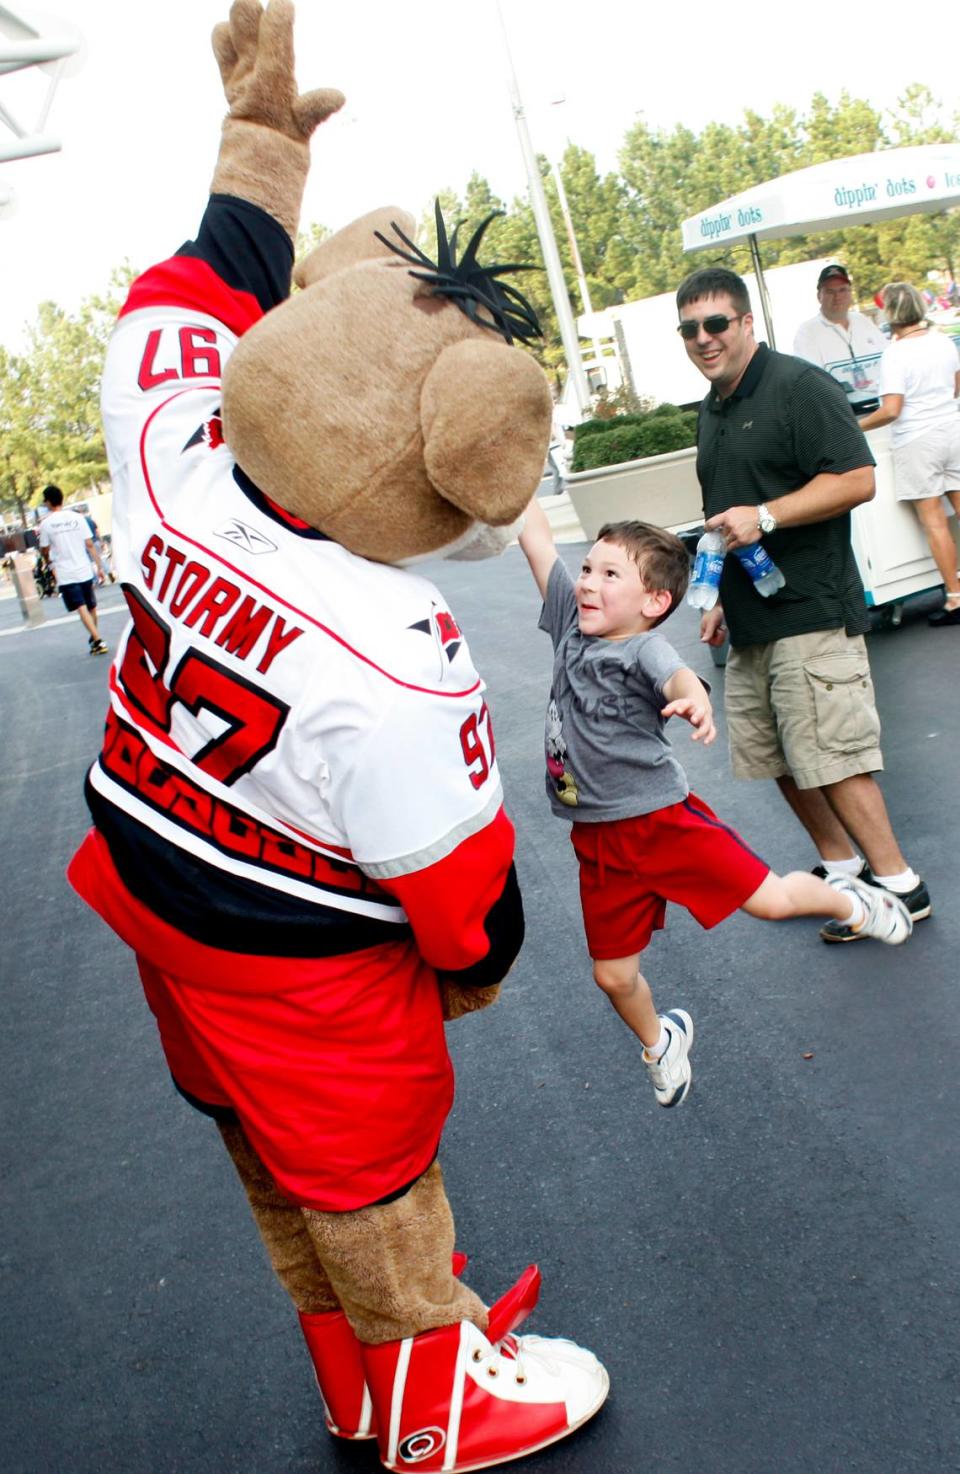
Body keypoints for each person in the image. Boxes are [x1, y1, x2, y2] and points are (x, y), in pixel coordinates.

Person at [517, 500, 912, 1107]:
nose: (589, 581)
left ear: (654, 603)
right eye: (589, 569)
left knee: (775, 902)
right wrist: (512, 485)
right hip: (597, 840)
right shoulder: (572, 618)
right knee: (613, 976)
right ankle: (661, 1042)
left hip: (663, 824)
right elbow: (539, 543)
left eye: (609, 574)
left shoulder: (642, 649)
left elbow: (675, 674)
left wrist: (694, 699)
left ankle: (851, 901)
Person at [675, 265, 930, 941]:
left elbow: (857, 478)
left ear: (746, 322)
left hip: (813, 609)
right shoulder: (714, 406)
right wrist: (721, 596)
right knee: (780, 759)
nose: (704, 339)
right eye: (691, 328)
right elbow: (726, 513)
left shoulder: (797, 386)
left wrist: (769, 515)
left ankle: (902, 885)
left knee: (831, 758)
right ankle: (841, 871)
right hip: (752, 615)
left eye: (716, 324)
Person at [857, 281, 960, 627]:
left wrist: (855, 427)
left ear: (890, 313)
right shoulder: (943, 340)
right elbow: (956, 386)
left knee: (935, 523)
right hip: (953, 430)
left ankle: (955, 598)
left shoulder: (895, 354)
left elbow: (891, 410)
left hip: (918, 441)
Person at [793, 264, 888, 411]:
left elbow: (887, 357)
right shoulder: (807, 332)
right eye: (830, 292)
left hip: (880, 406)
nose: (837, 297)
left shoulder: (862, 321)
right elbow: (812, 381)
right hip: (842, 412)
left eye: (842, 290)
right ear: (819, 296)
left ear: (850, 293)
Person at [38, 485, 109, 654]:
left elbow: (45, 549)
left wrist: (48, 561)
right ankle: (95, 637)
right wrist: (99, 566)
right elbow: (90, 544)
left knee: (80, 606)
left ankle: (98, 640)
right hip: (84, 567)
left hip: (65, 571)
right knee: (91, 606)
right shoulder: (78, 518)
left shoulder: (46, 524)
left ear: (48, 501)